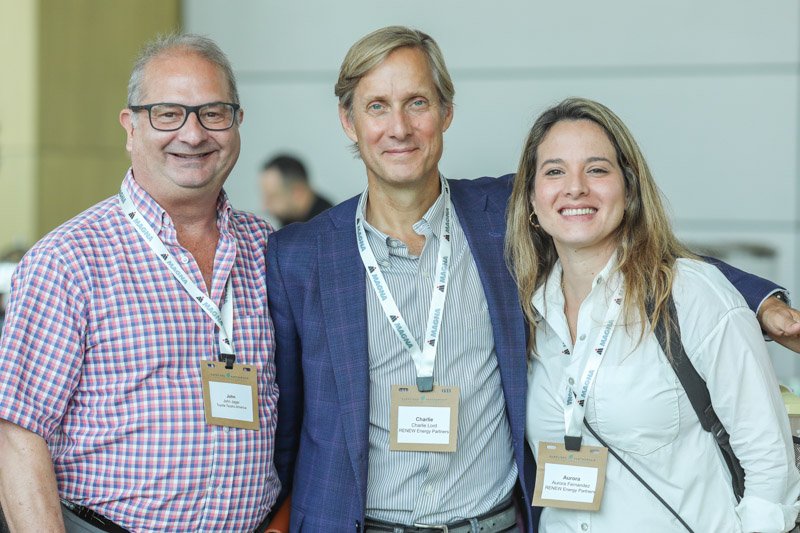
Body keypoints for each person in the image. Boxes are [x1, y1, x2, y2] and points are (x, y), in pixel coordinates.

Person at [267, 26, 798, 532]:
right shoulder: (300, 257)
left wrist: (759, 300)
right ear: (347, 119)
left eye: (418, 102)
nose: (399, 127)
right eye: (376, 106)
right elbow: (285, 429)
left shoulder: (500, 214)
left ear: (447, 111)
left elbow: (629, 235)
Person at [0, 34, 280, 532]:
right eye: (167, 113)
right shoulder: (68, 261)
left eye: (212, 113)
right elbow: (18, 436)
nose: (193, 134)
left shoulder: (268, 251)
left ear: (237, 124)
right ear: (130, 127)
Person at [506, 97, 800, 532]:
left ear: (629, 189)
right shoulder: (530, 311)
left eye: (597, 169)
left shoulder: (689, 293)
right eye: (554, 171)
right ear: (532, 198)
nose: (575, 188)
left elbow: (770, 462)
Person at [259, 154, 332, 226]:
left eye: (272, 197)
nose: (265, 207)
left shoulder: (328, 227)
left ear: (297, 192)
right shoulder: (289, 219)